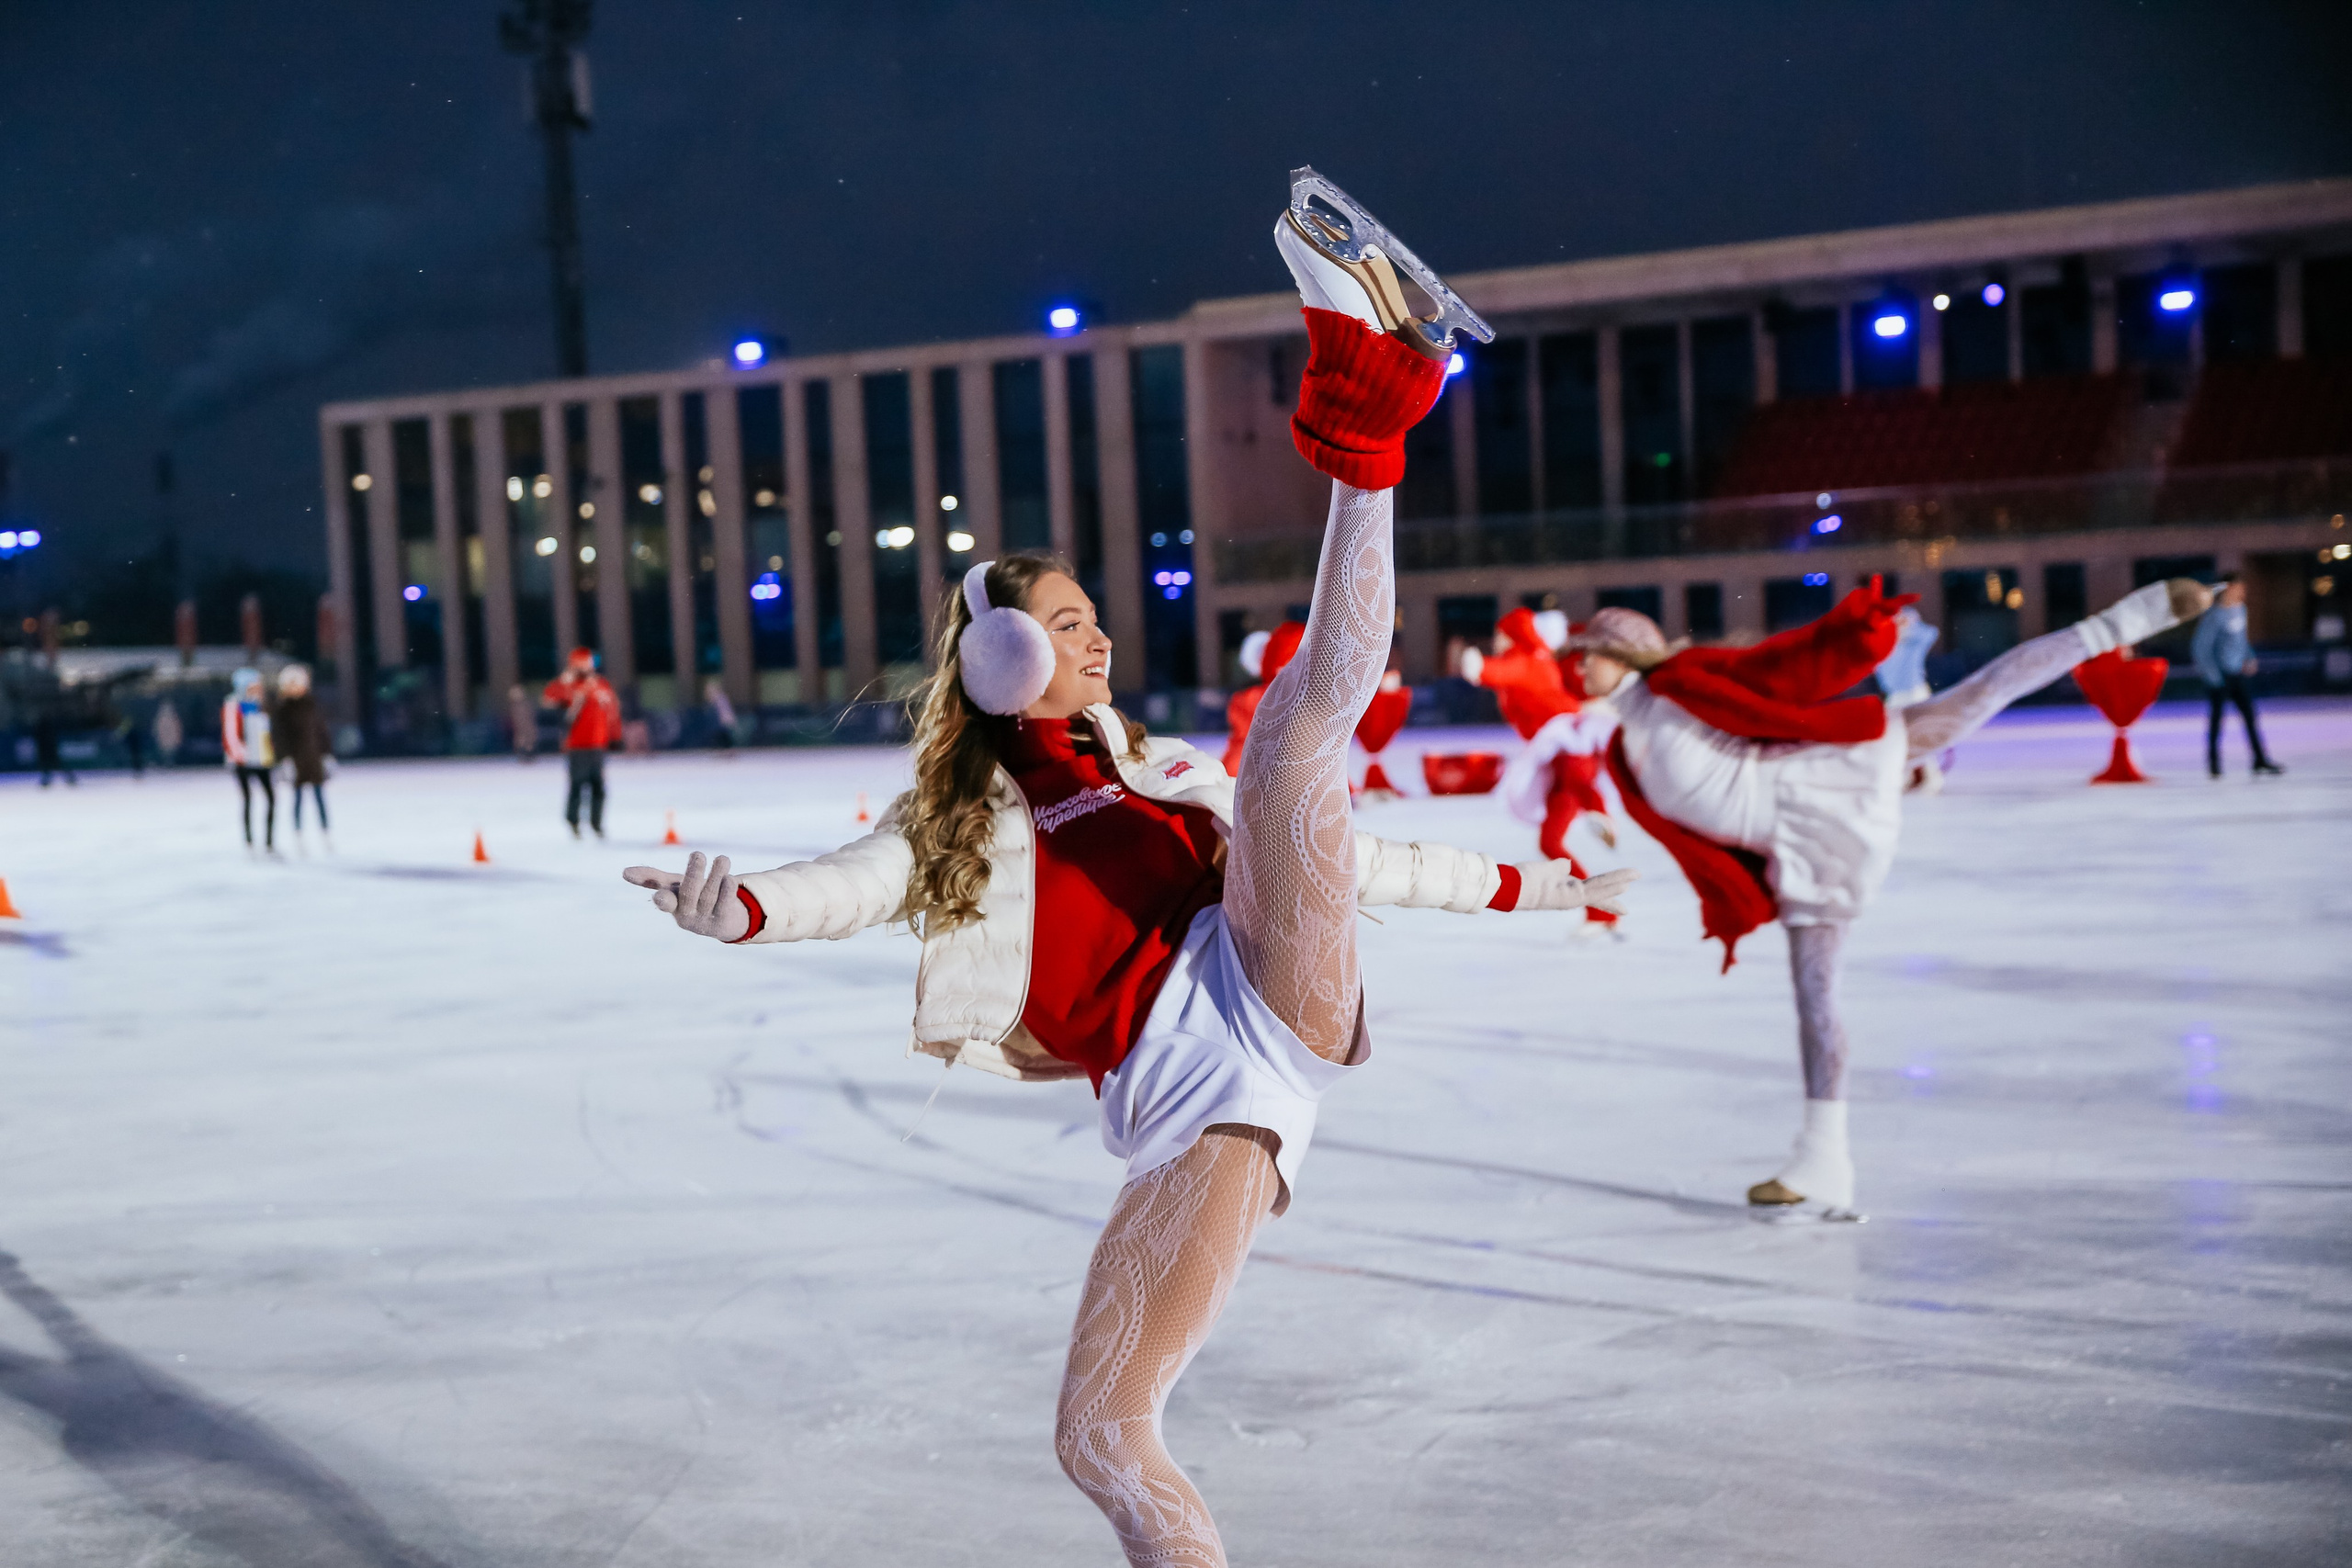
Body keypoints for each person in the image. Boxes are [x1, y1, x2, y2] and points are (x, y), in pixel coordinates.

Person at [621, 174, 1634, 1568]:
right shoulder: (960, 826)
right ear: (998, 661)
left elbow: (1358, 858)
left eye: (1096, 620)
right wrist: (731, 905)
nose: (1099, 643)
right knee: (1098, 1431)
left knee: (1289, 742)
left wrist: (1536, 885)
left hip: (1266, 992)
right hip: (1185, 1113)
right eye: (1070, 623)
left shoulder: (1160, 770)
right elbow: (840, 886)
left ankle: (1372, 404)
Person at [1576, 571, 2212, 1219]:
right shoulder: (1627, 741)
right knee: (1816, 1000)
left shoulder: (1674, 686)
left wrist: (1853, 633)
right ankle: (1824, 1158)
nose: (1580, 666)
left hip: (1824, 783)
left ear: (1625, 655)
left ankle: (2125, 620)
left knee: (1979, 695)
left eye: (1591, 653)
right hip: (1795, 848)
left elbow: (1776, 666)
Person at [1470, 607, 1621, 933]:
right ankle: (1600, 911)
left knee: (1575, 784)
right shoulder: (1535, 657)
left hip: (1567, 744)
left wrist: (1478, 667)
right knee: (1551, 842)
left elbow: (1501, 673)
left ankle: (1599, 812)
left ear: (1513, 635)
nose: (1496, 639)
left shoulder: (1524, 659)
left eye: (1500, 633)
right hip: (1559, 753)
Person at [2192, 571, 2283, 778]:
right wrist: (2214, 676)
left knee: (2250, 717)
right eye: (2239, 587)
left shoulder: (2240, 610)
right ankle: (2214, 763)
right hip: (2220, 677)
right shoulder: (2214, 615)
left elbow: (2241, 641)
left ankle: (2259, 759)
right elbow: (2201, 647)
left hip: (2237, 674)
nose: (2243, 591)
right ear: (2228, 588)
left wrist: (2249, 657)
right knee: (2217, 720)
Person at [543, 648, 621, 838]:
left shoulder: (601, 685)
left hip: (597, 744)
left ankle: (596, 823)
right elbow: (549, 699)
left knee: (598, 786)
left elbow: (612, 711)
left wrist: (615, 735)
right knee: (577, 785)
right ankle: (574, 822)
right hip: (577, 745)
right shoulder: (570, 686)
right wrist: (564, 681)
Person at [1220, 619, 1304, 774]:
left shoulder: (1244, 699)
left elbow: (1242, 742)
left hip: (1248, 771)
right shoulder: (1293, 694)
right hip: (1281, 773)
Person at [221, 667, 277, 853]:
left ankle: (269, 842)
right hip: (242, 761)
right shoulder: (233, 705)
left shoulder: (262, 705)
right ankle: (249, 841)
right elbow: (230, 735)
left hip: (262, 760)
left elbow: (267, 733)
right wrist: (240, 756)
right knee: (247, 800)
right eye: (253, 685)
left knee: (271, 799)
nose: (258, 689)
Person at [275, 663, 332, 848]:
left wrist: (327, 755)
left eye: (297, 683)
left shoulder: (312, 705)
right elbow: (280, 737)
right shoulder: (283, 709)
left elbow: (322, 732)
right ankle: (298, 835)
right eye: (290, 684)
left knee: (319, 797)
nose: (294, 687)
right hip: (296, 760)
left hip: (314, 759)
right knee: (297, 799)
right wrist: (285, 759)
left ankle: (326, 833)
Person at [705, 675, 740, 752]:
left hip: (723, 723)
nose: (709, 692)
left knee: (724, 736)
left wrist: (729, 719)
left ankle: (729, 750)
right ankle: (725, 750)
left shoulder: (721, 698)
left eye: (711, 689)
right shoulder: (714, 700)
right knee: (721, 737)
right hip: (719, 724)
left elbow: (726, 710)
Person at [507, 682, 539, 762]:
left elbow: (530, 717)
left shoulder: (526, 705)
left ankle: (529, 756)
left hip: (527, 727)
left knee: (529, 741)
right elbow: (515, 719)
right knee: (521, 741)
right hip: (520, 728)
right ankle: (523, 756)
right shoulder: (514, 707)